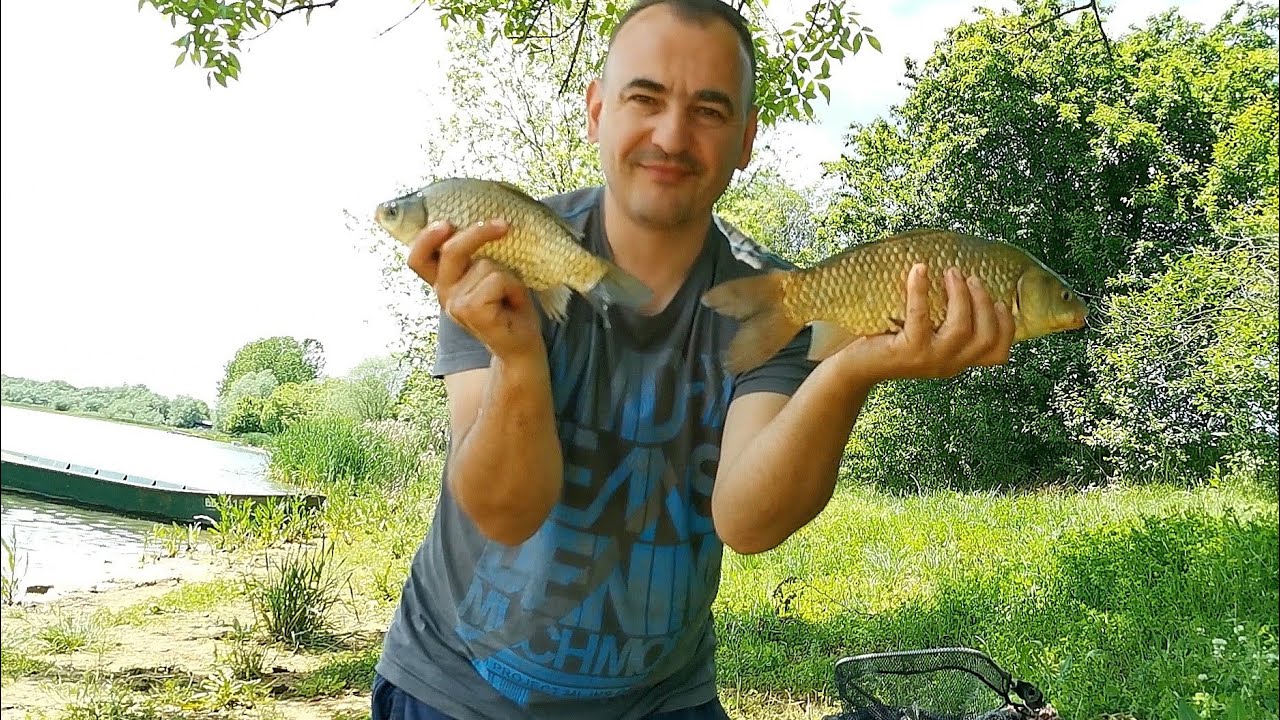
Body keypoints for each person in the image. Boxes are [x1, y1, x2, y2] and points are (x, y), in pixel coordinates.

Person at [371, 0, 1016, 717]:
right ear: (596, 111)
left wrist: (853, 367)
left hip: (663, 699)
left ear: (746, 139)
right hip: (455, 689)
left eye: (709, 111)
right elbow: (504, 512)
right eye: (645, 99)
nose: (672, 136)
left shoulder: (776, 296)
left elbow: (749, 522)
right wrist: (517, 354)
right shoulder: (502, 252)